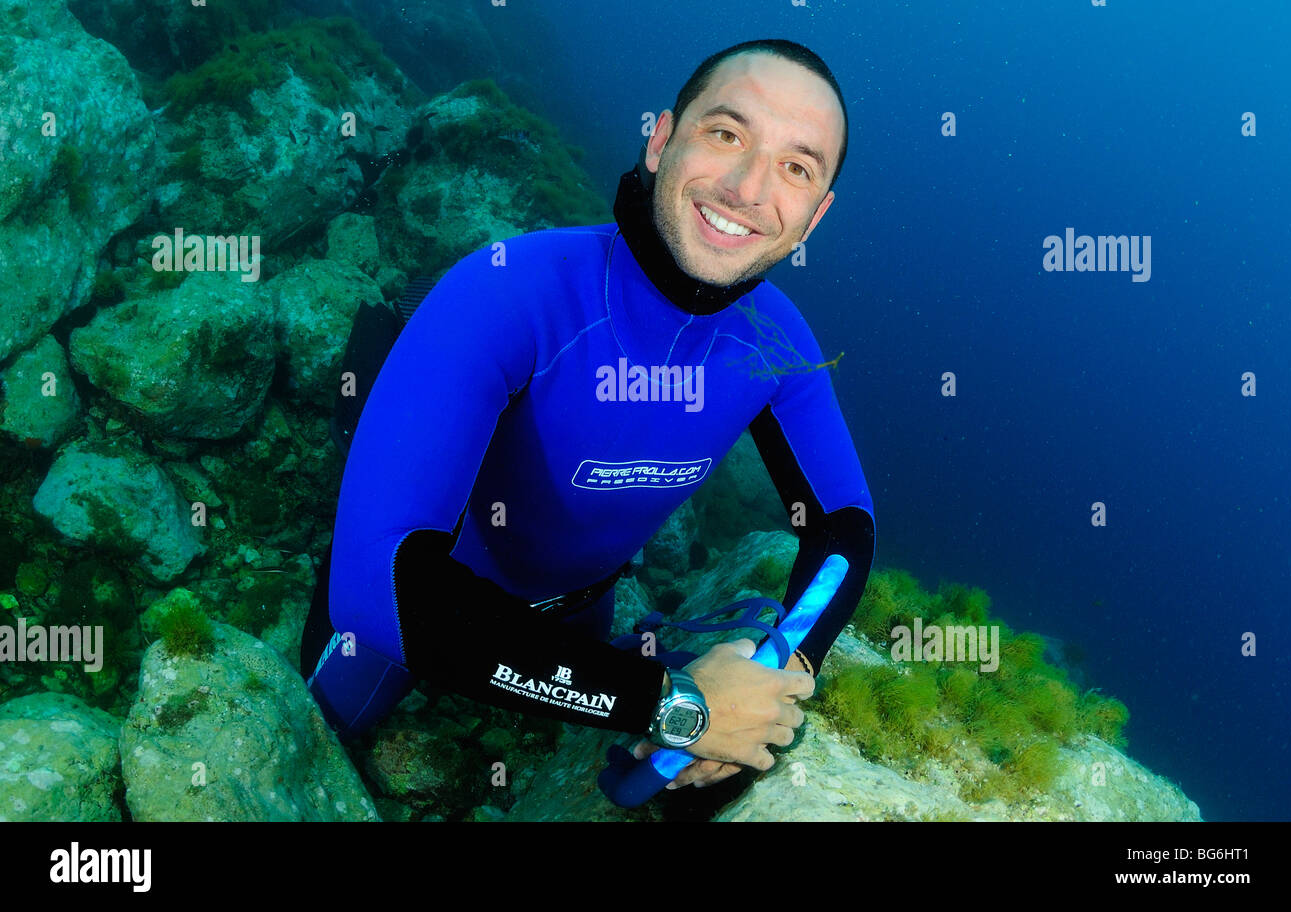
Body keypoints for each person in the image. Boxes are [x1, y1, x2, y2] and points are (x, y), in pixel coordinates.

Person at [300, 39, 875, 793]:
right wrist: (677, 707)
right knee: (313, 745)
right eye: (726, 134)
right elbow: (375, 590)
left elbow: (845, 527)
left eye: (796, 168)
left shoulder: (778, 343)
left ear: (815, 216)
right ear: (662, 139)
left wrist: (778, 677)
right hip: (419, 601)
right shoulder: (509, 292)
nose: (746, 187)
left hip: (581, 613)